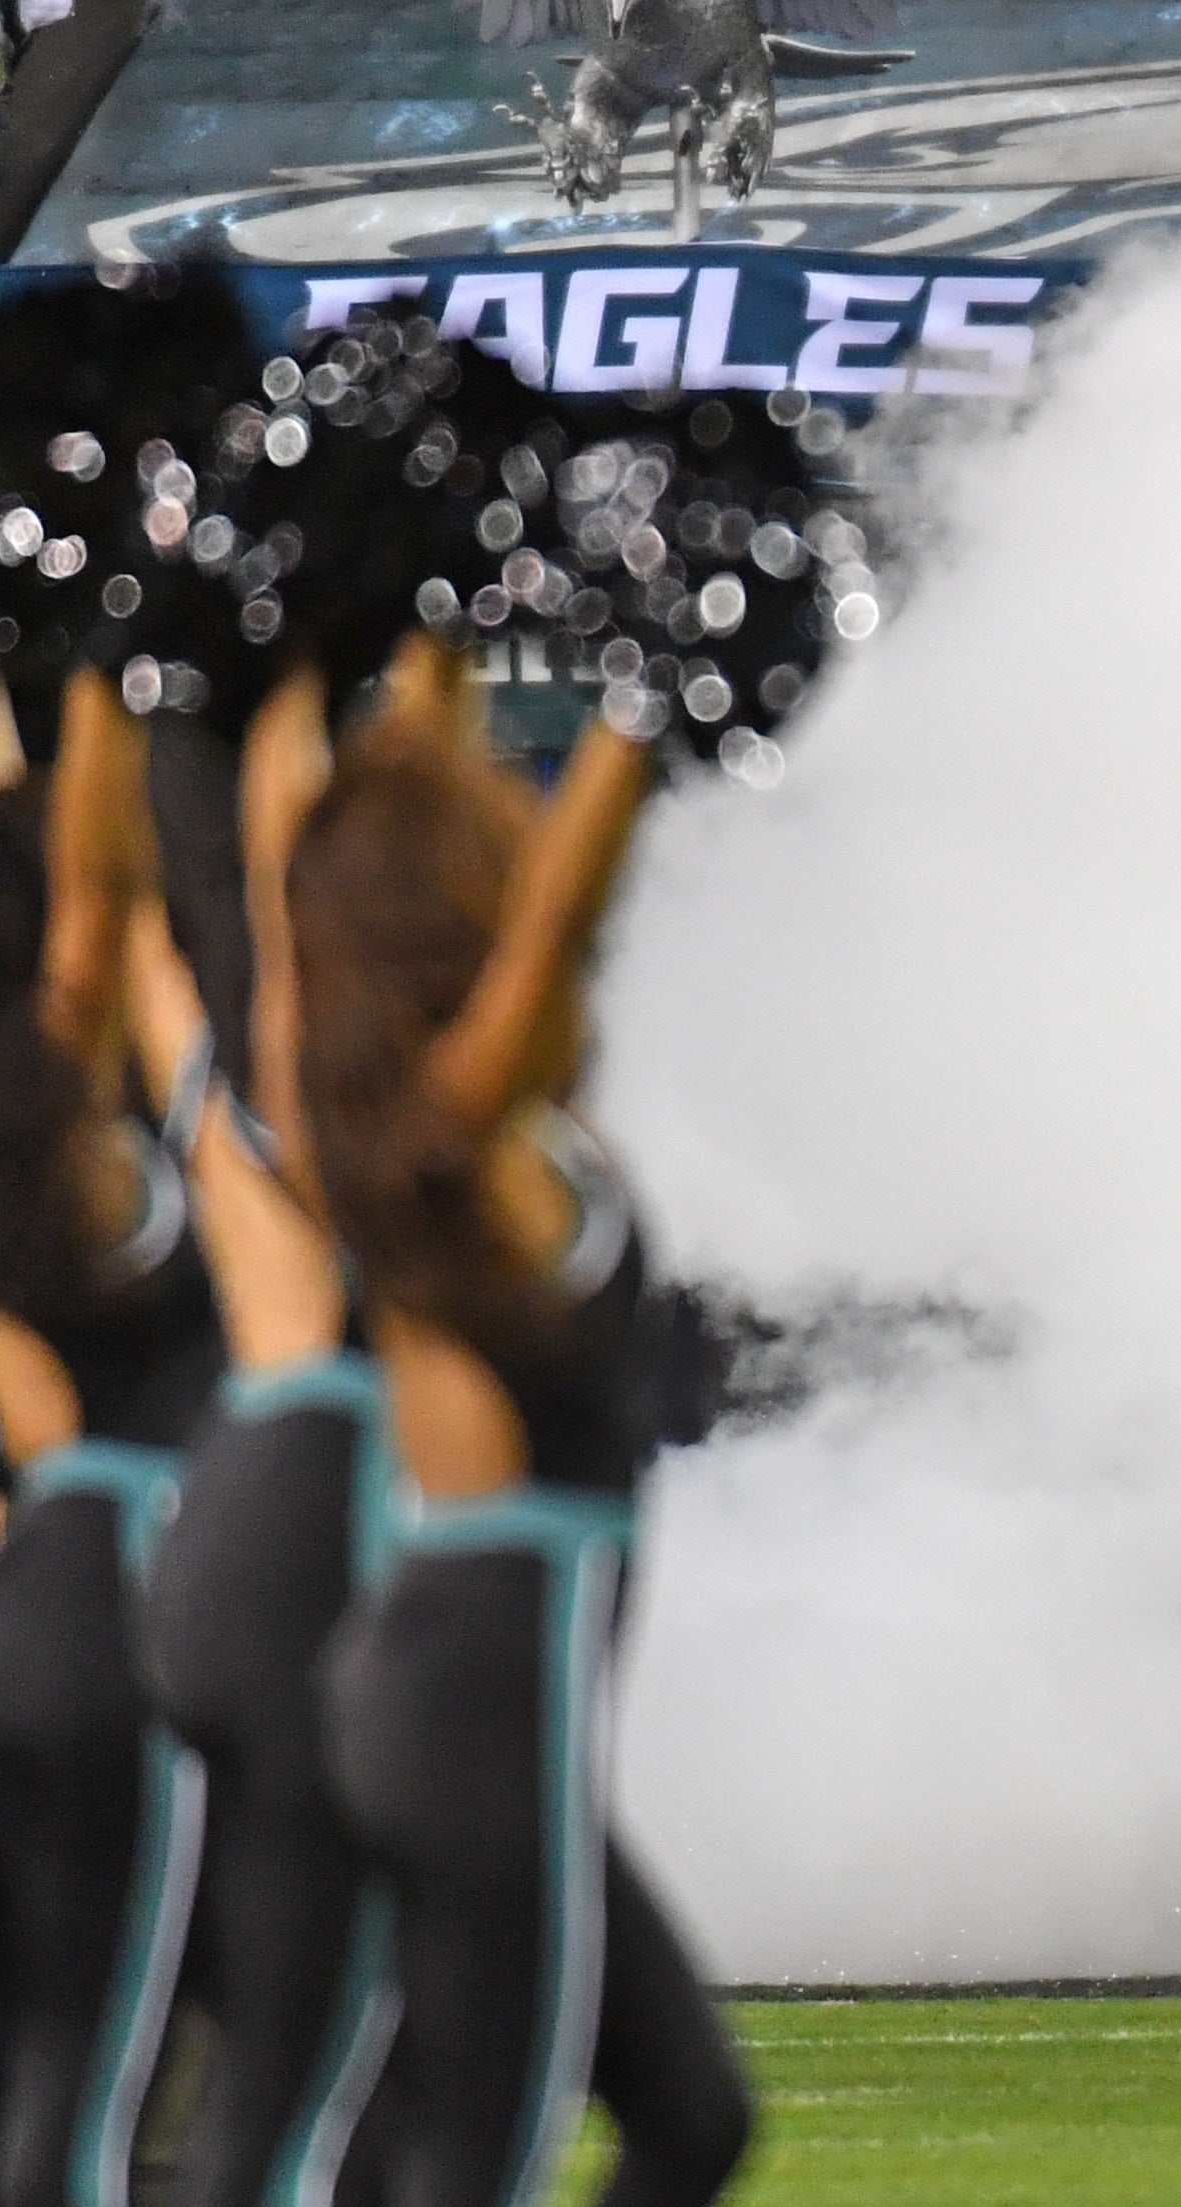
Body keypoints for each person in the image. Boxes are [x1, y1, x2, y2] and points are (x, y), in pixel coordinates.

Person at [287, 641, 752, 2207]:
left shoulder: (391, 1101)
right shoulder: (451, 1116)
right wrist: (655, 686)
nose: (513, 794)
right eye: (494, 796)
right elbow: (560, 921)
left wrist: (417, 633)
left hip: (443, 1691)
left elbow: (390, 826)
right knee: (475, 2159)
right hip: (483, 1693)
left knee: (690, 2120)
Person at [0, 661, 229, 2207]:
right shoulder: (52, 1130)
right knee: (98, 2078)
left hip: (5, 1590)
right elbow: (96, 894)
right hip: (89, 1600)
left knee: (2, 2058)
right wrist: (105, 643)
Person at [127, 656, 400, 2207]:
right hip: (310, 1563)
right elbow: (266, 934)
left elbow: (142, 930)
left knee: (154, 2071)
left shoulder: (190, 1092)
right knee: (302, 2106)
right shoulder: (348, 1112)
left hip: (202, 1553)